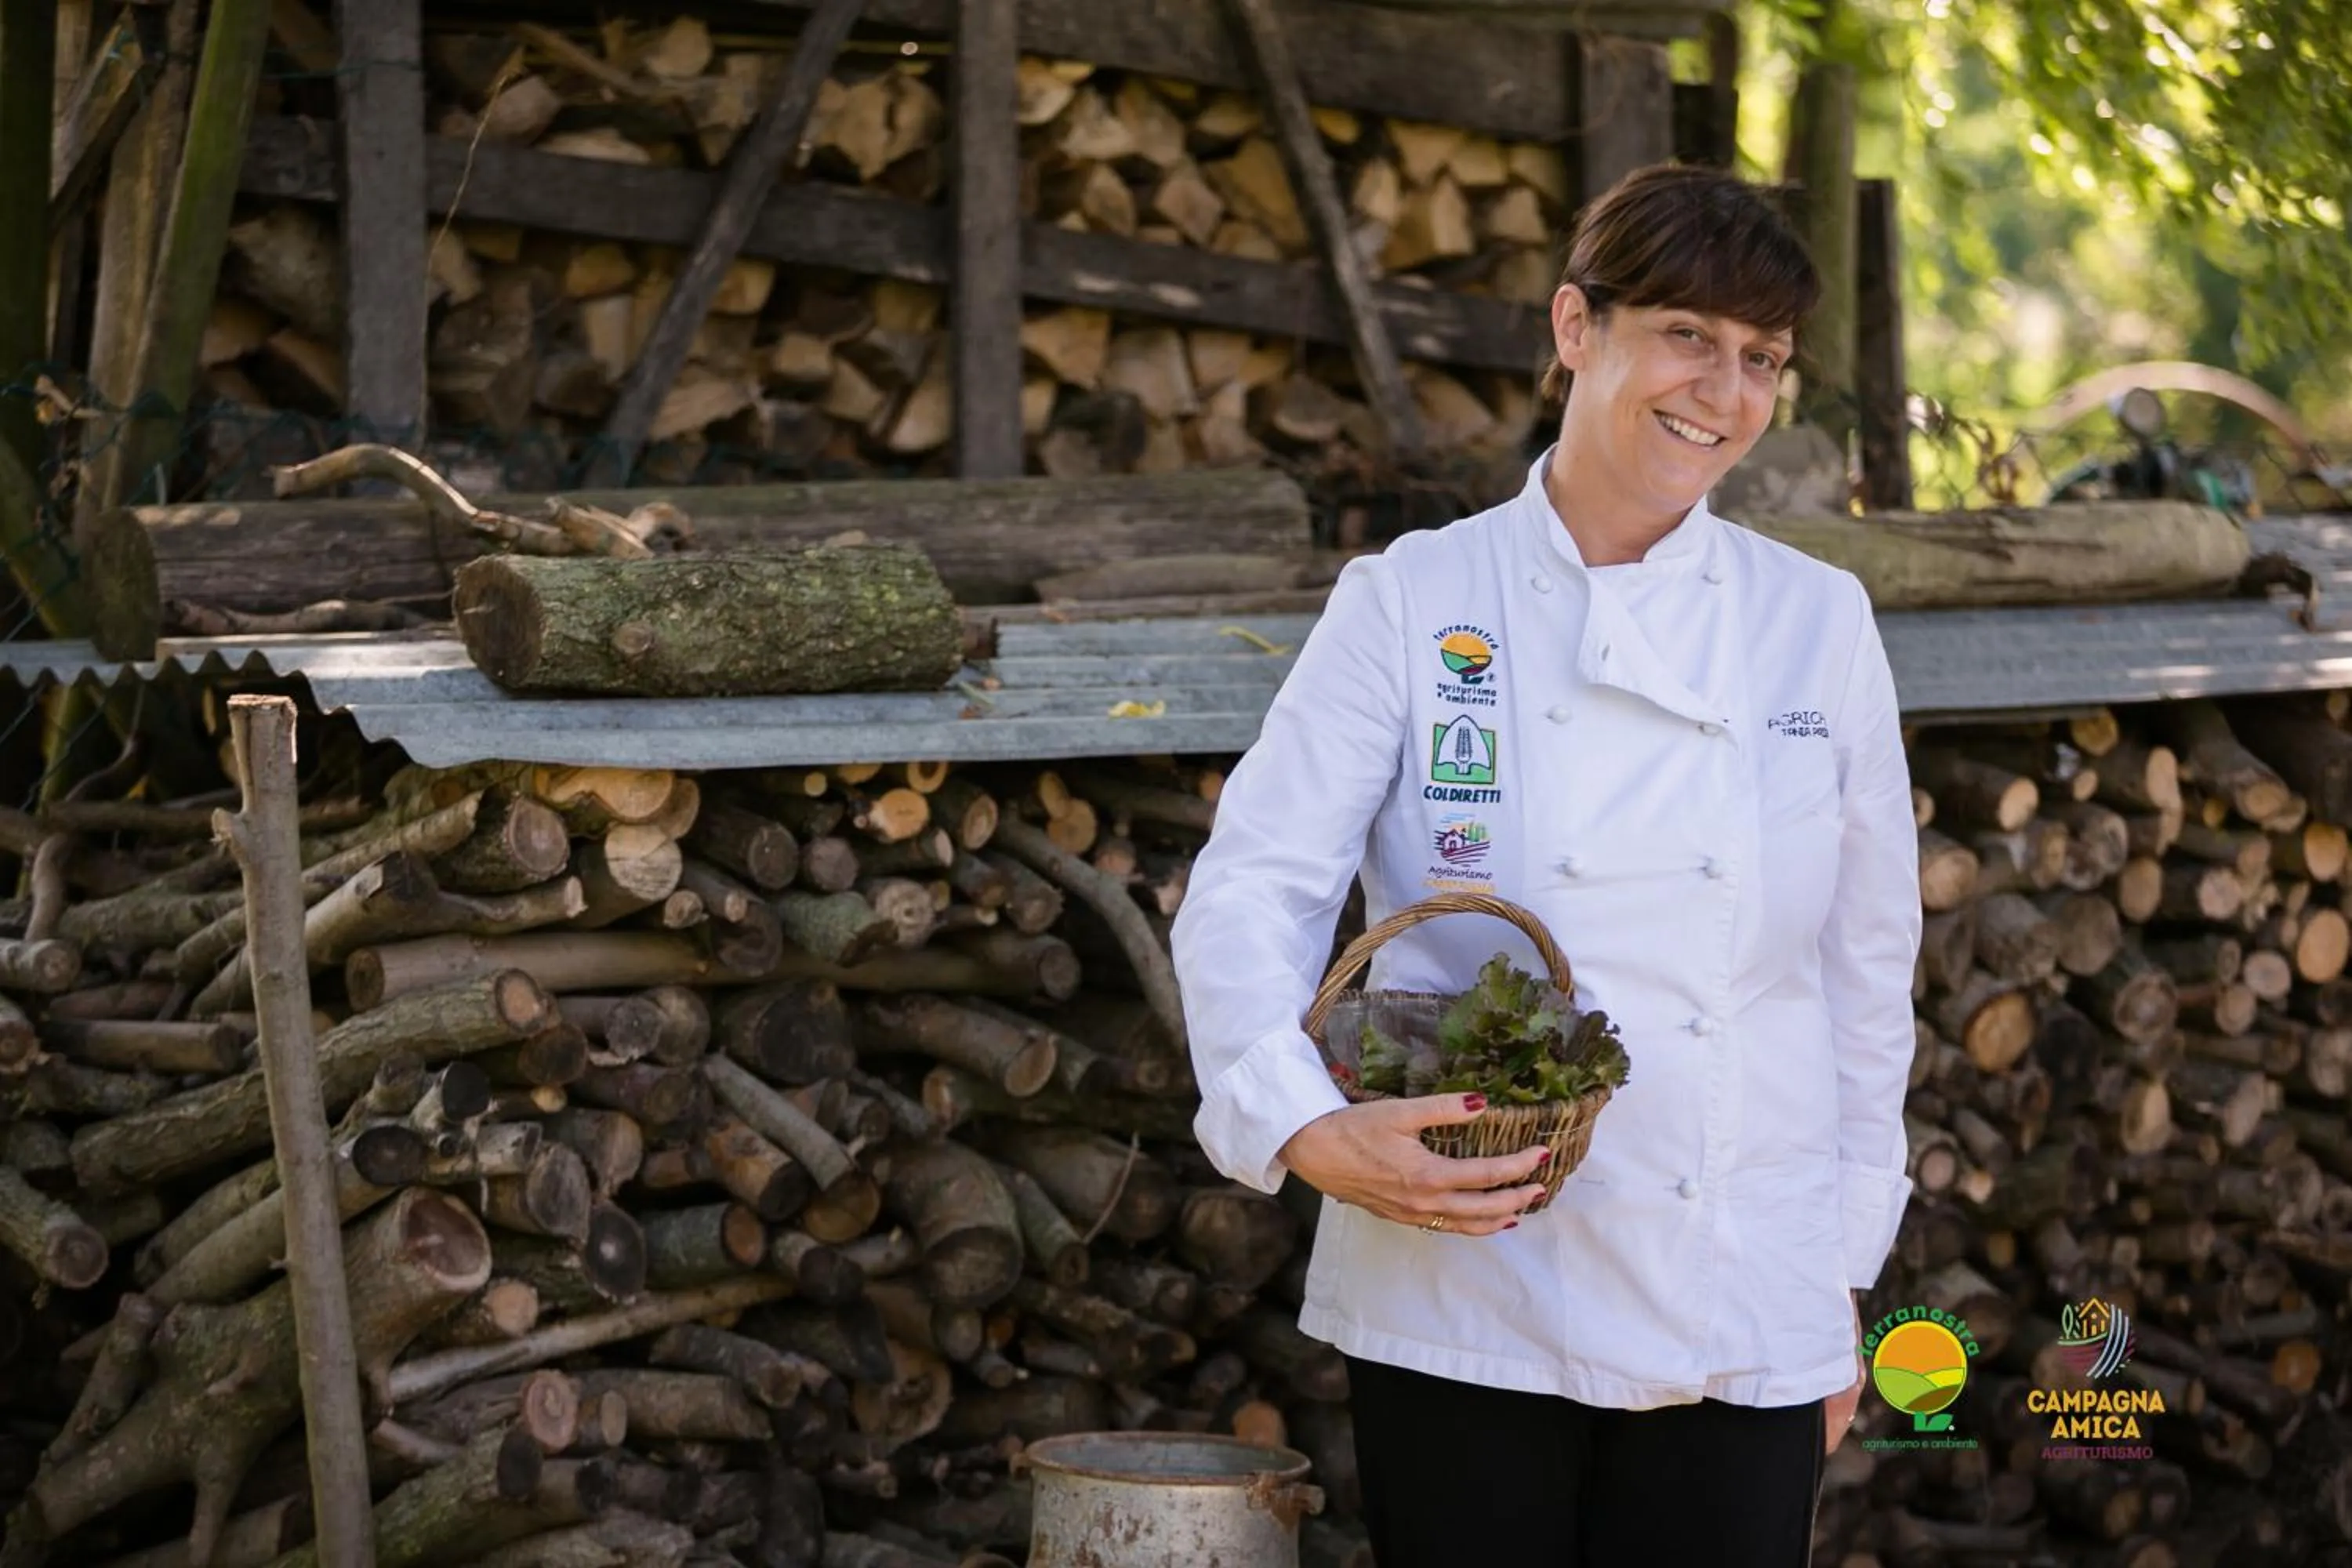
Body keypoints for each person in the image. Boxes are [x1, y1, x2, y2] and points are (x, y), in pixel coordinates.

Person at [1169, 163, 1922, 1568]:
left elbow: (1865, 978)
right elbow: (1256, 883)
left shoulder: (1815, 621)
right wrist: (1296, 1122)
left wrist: (1836, 1289)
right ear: (1576, 327)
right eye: (1687, 334)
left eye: (1762, 358)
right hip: (1467, 1280)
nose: (1725, 390)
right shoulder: (1413, 600)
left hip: (1740, 1288)